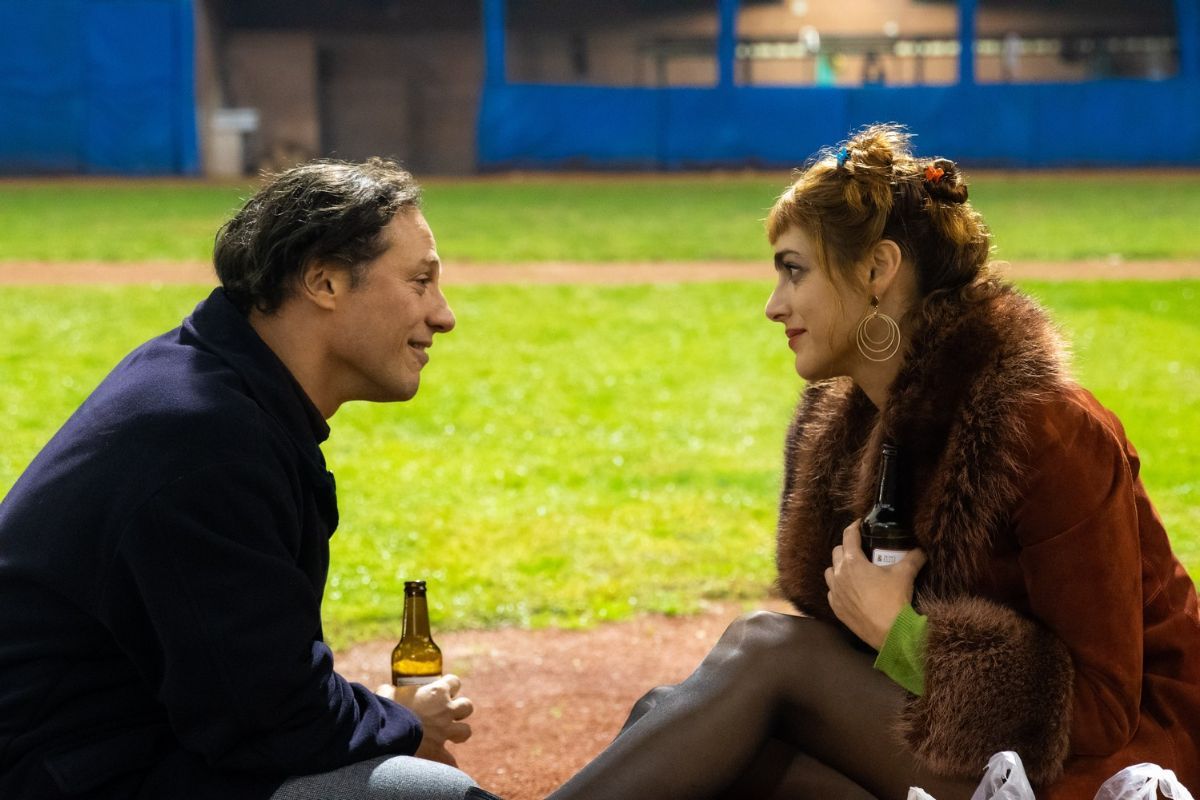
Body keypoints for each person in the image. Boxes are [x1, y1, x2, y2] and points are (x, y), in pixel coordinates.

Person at [546, 125, 1200, 799]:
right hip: (956, 748)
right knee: (686, 725)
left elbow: (1102, 711)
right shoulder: (854, 424)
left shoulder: (1046, 428)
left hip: (1103, 769)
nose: (773, 306)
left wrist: (903, 636)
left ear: (877, 271)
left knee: (769, 653)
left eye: (794, 270)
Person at [0, 159, 501, 800]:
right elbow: (275, 725)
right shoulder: (205, 438)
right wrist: (404, 726)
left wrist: (382, 718)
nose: (443, 315)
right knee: (424, 794)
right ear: (323, 281)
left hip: (103, 752)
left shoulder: (213, 387)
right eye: (420, 281)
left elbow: (247, 686)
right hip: (63, 779)